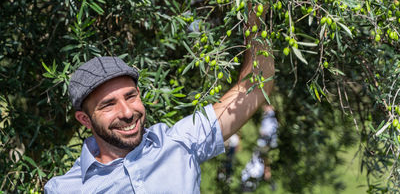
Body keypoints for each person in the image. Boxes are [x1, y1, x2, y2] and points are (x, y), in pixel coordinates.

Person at [44, 11, 274, 193]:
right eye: (108, 104)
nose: (126, 112)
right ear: (85, 119)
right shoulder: (64, 189)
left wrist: (255, 17)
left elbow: (254, 88)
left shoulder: (179, 142)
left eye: (130, 96)